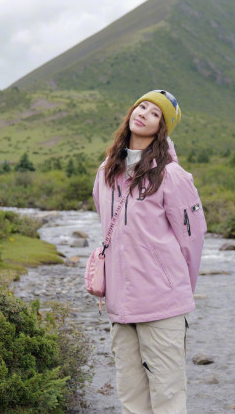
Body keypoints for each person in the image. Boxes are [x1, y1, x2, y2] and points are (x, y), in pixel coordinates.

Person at [92, 89, 207, 413]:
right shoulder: (106, 173)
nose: (144, 113)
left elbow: (193, 238)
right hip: (120, 305)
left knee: (168, 399)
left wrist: (178, 289)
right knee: (131, 399)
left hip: (163, 305)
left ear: (162, 128)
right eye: (141, 106)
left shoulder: (172, 175)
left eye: (155, 113)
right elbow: (108, 230)